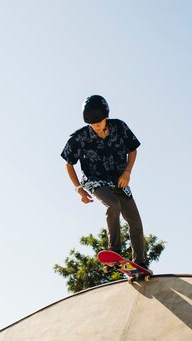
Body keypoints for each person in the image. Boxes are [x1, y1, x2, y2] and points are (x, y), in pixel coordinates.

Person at [61, 95, 148, 269]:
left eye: (99, 123)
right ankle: (114, 252)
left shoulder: (120, 127)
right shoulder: (80, 138)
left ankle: (141, 263)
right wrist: (79, 189)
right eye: (92, 125)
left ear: (106, 117)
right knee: (113, 205)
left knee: (135, 221)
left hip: (119, 181)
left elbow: (133, 150)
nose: (96, 127)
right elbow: (68, 164)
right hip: (95, 181)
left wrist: (127, 172)